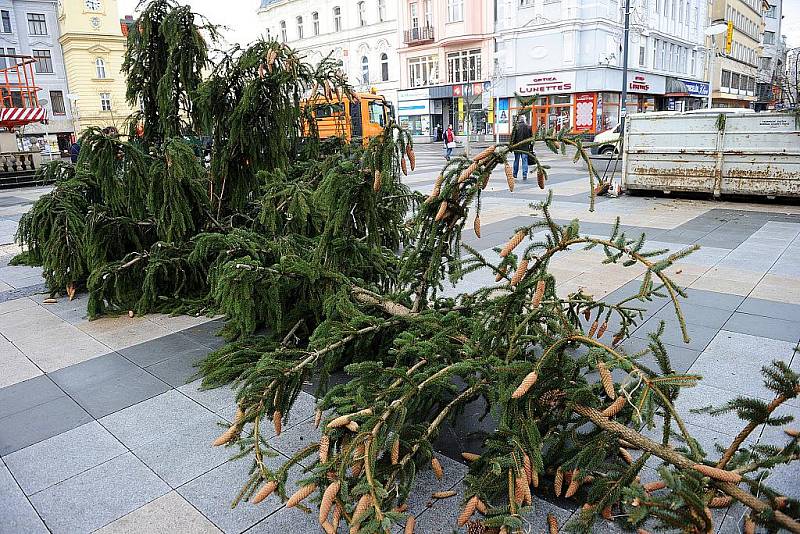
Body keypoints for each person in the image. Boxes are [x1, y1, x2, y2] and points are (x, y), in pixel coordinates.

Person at [510, 115, 532, 181]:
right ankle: (524, 174)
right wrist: (531, 147)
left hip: (517, 147)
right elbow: (531, 138)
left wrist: (511, 146)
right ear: (525, 120)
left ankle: (515, 174)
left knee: (516, 160)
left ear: (519, 120)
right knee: (524, 160)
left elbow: (512, 138)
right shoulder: (528, 127)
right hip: (525, 147)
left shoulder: (516, 127)